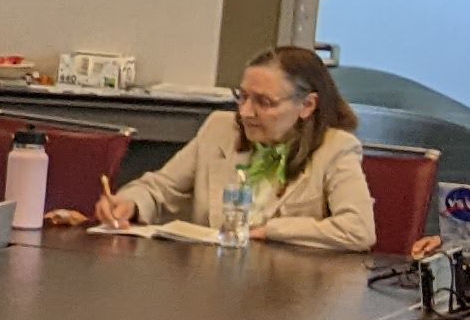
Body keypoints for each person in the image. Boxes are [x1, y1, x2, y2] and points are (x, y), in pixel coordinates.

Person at [69, 40, 373, 247]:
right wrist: (130, 203)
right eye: (242, 97)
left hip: (288, 293)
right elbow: (159, 188)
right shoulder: (220, 129)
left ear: (306, 105)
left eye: (264, 102)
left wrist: (270, 232)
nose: (246, 113)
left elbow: (358, 230)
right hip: (209, 284)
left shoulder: (336, 148)